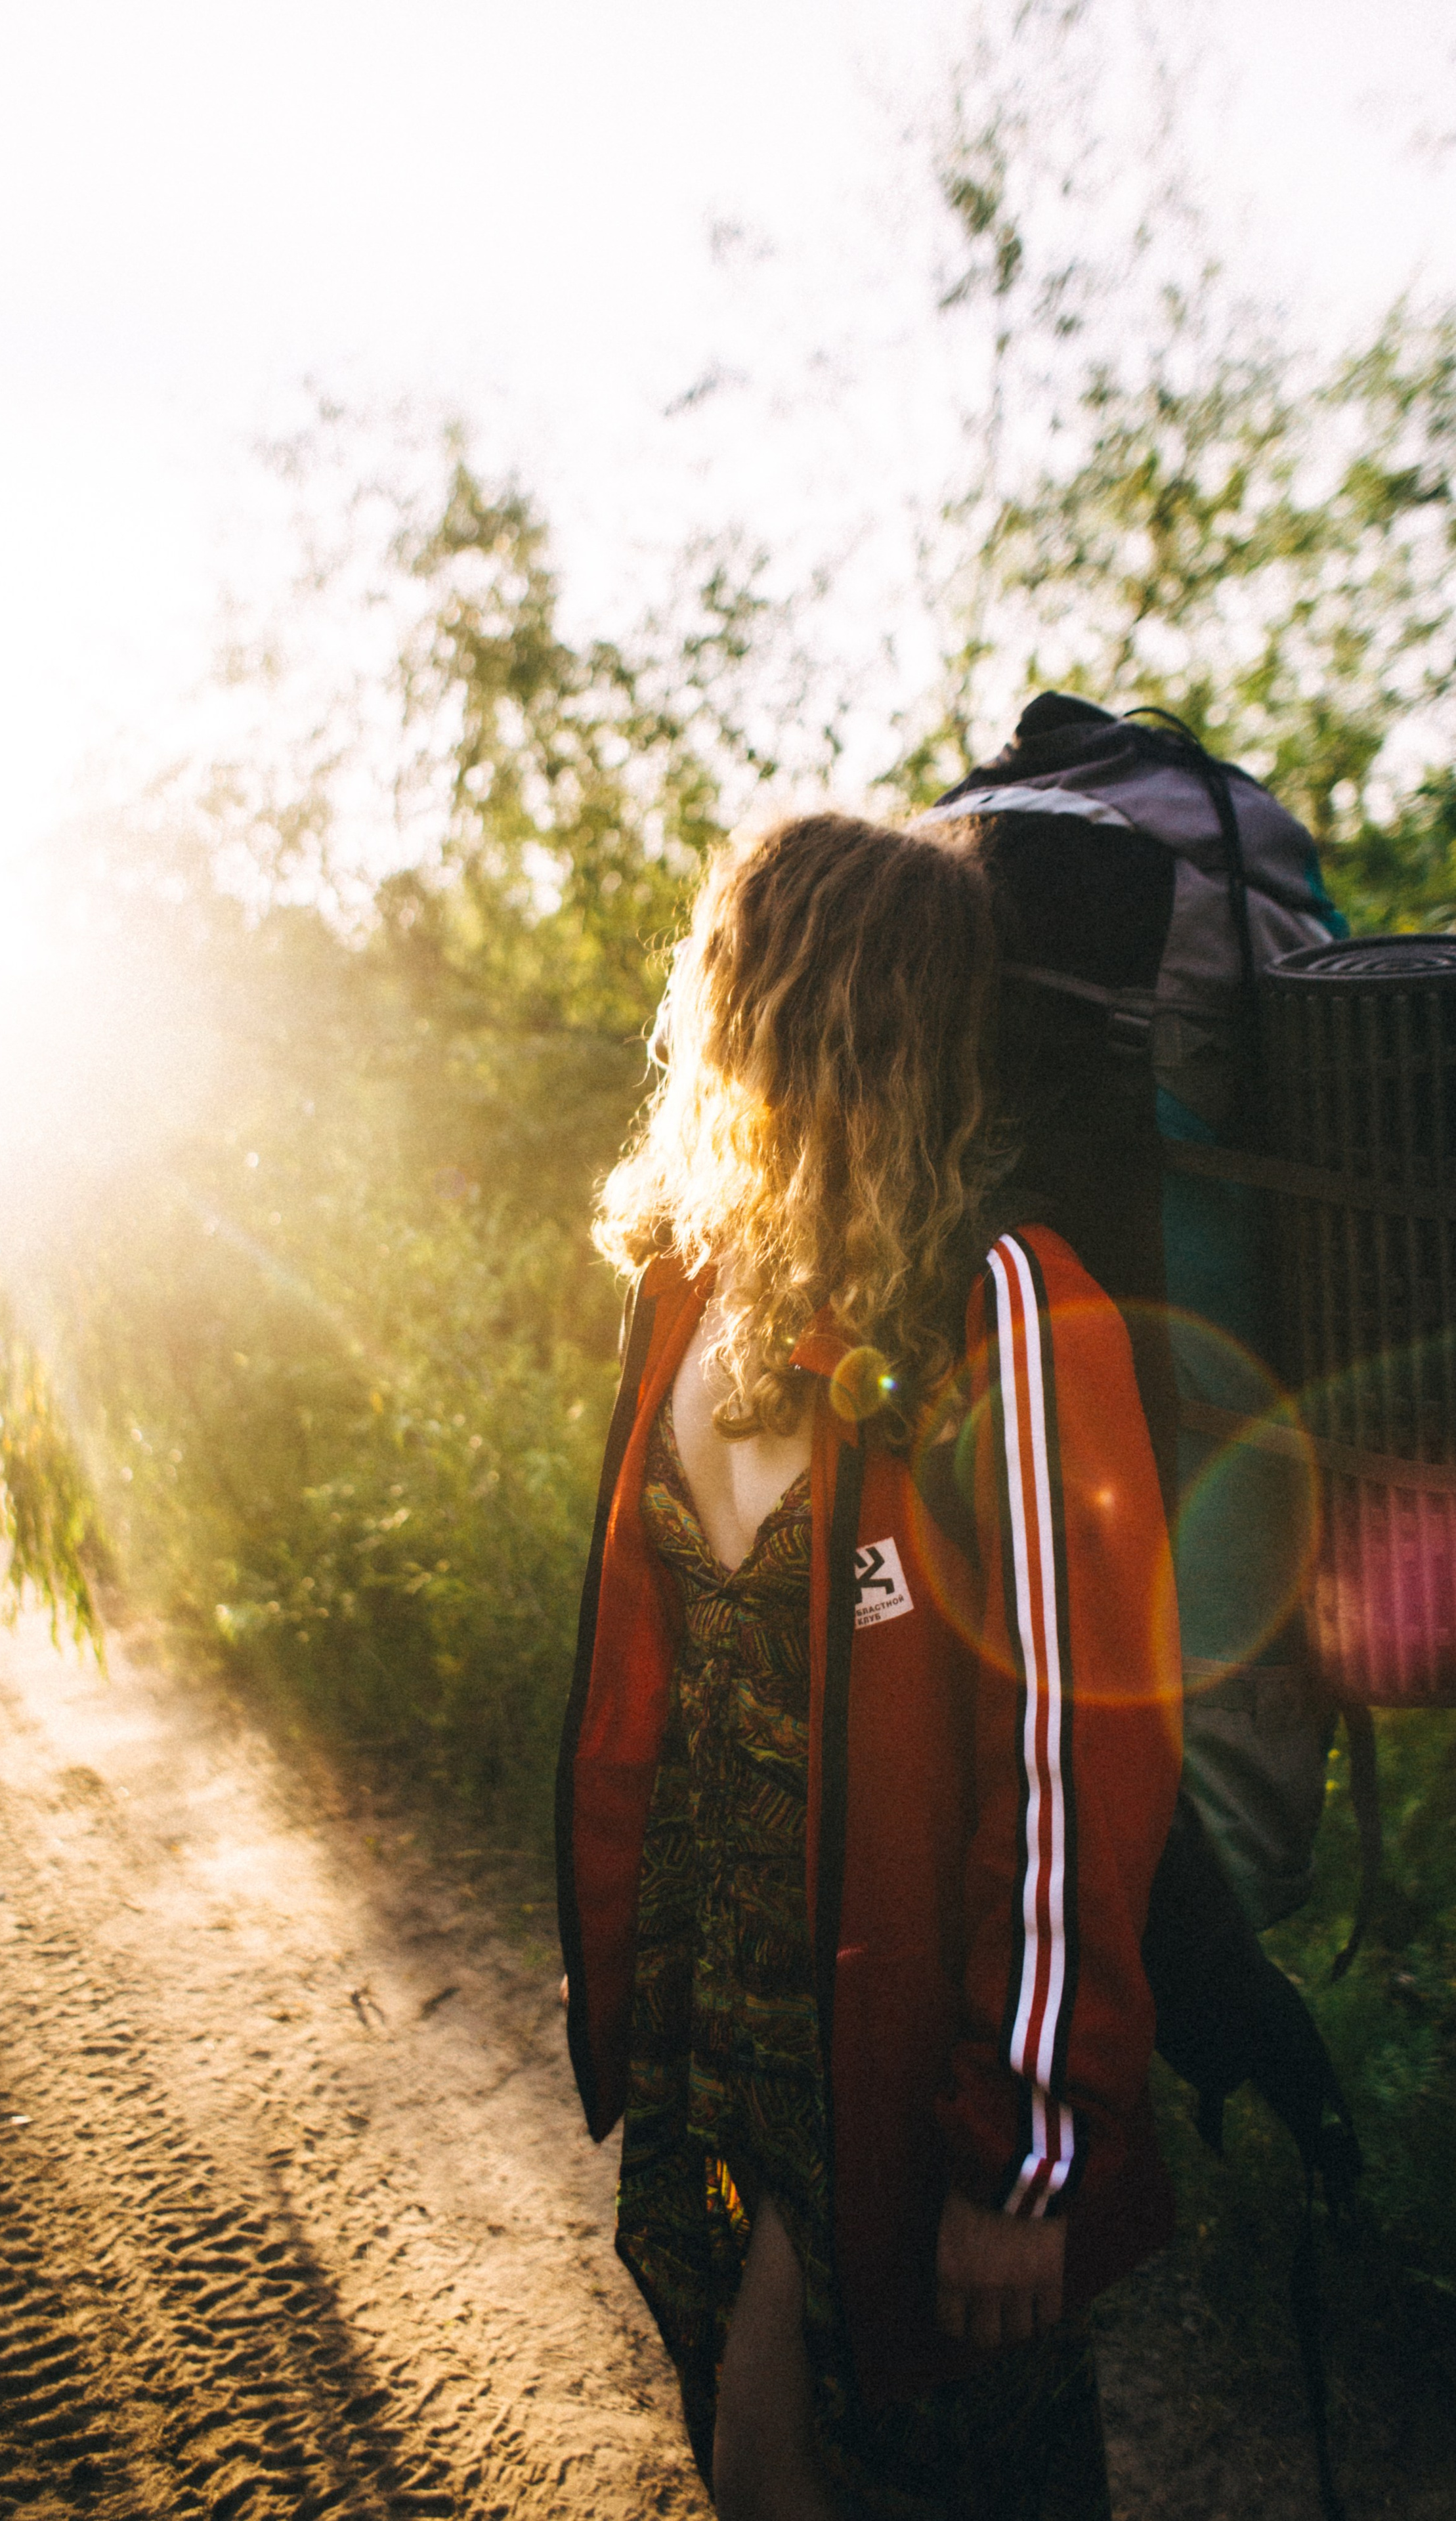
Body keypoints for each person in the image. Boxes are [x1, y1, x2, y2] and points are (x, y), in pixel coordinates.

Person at [555, 811, 1183, 2520]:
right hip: (708, 2062)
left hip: (912, 2085)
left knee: (948, 2469)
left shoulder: (1011, 1321)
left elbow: (1081, 1760)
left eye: (718, 967)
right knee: (738, 2419)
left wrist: (1025, 2161)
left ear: (770, 996)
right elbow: (649, 1692)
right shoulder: (685, 1290)